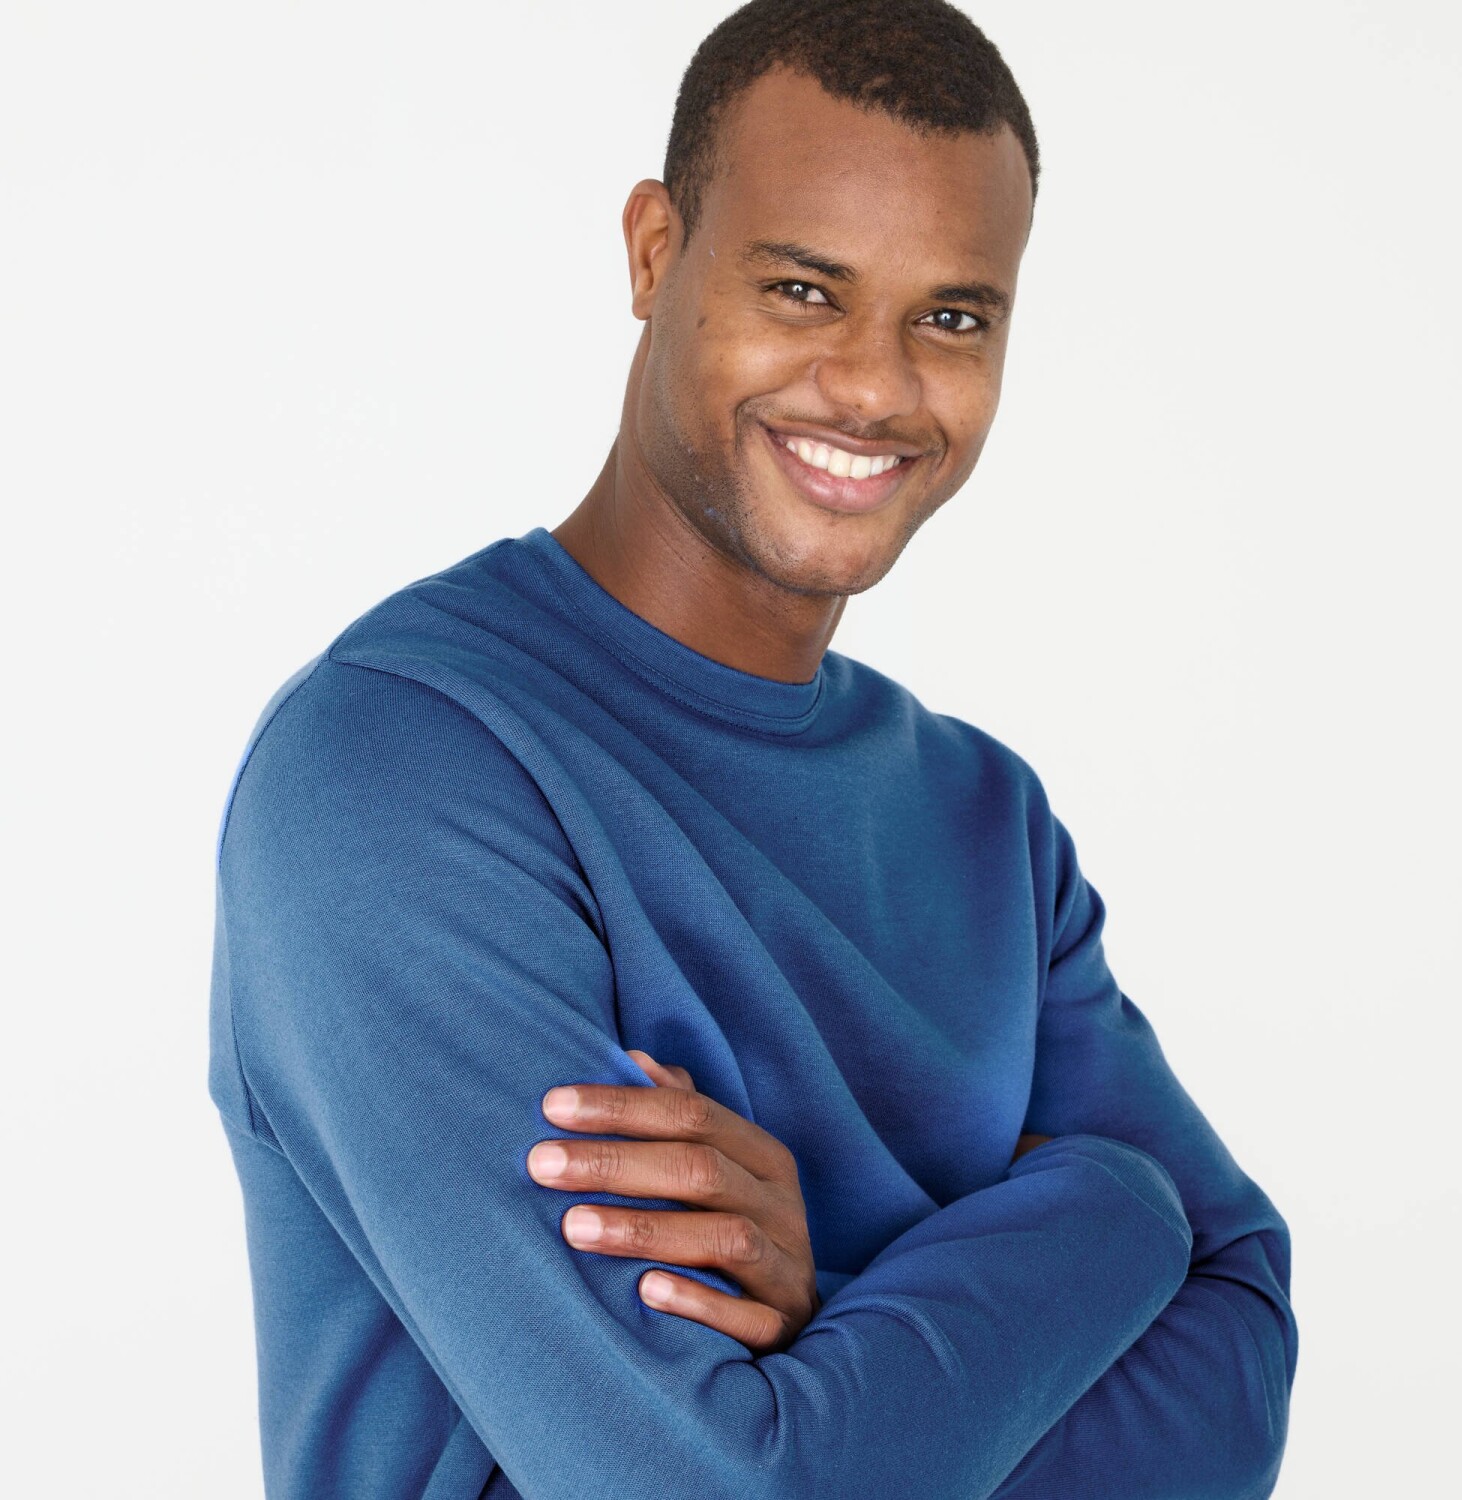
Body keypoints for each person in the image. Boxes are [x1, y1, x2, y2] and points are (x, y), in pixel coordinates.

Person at [207, 2, 1298, 1496]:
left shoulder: (987, 823)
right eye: (803, 289)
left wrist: (821, 1328)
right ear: (656, 253)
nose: (875, 387)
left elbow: (1239, 1359)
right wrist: (1117, 1210)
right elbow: (711, 1485)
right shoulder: (400, 769)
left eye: (953, 319)